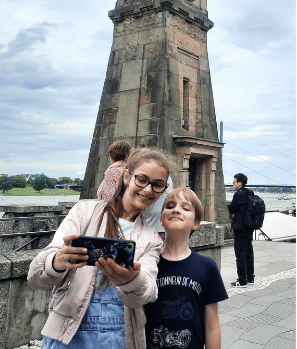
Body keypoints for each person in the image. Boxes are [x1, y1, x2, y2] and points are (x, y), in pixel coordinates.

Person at [28, 148, 169, 349]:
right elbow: (35, 278)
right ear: (127, 177)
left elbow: (147, 293)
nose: (148, 190)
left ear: (164, 189)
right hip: (68, 336)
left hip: (120, 338)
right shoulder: (83, 212)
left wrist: (132, 280)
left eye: (157, 184)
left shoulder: (152, 238)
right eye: (142, 180)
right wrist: (56, 261)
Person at [143, 187, 227, 349]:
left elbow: (212, 326)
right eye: (170, 206)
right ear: (161, 219)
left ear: (196, 223)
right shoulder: (148, 262)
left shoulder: (207, 266)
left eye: (185, 208)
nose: (176, 210)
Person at [228, 173, 255, 287]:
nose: (232, 184)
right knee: (249, 253)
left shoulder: (238, 194)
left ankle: (242, 280)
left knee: (240, 254)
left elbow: (232, 209)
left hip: (240, 227)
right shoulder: (250, 193)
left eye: (234, 182)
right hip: (249, 227)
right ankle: (250, 278)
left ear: (240, 183)